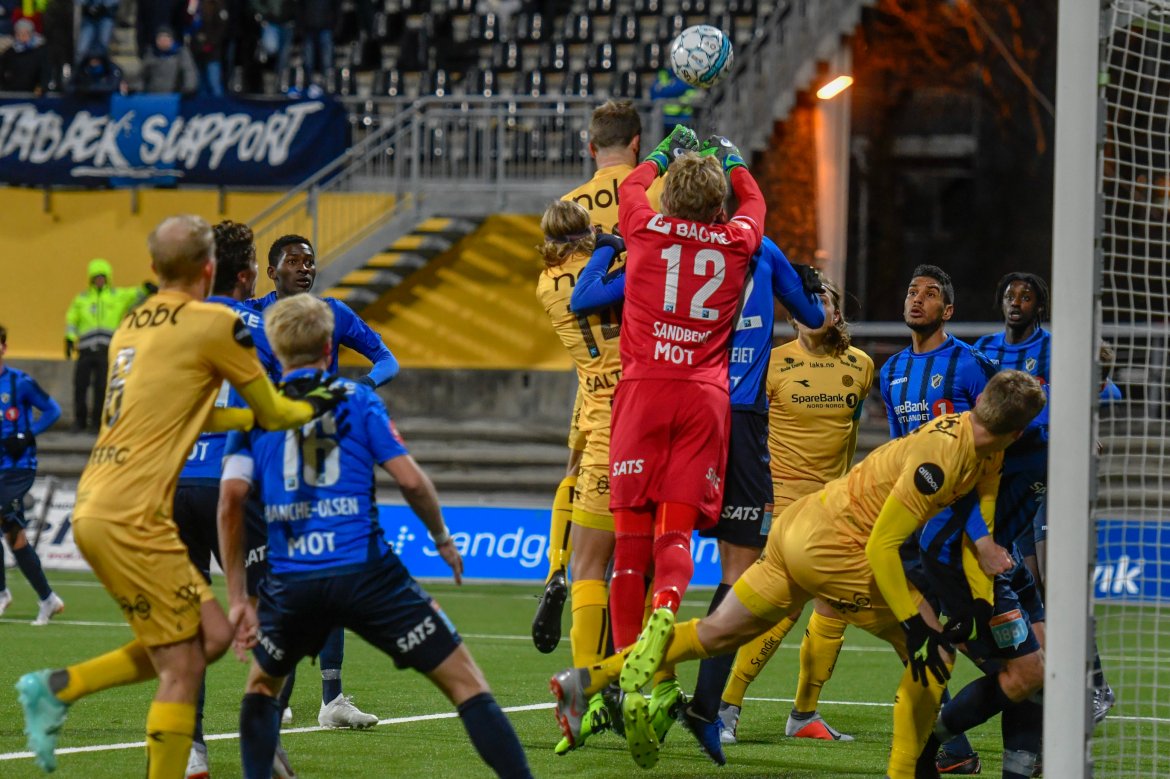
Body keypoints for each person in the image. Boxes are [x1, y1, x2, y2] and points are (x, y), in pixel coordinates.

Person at [551, 370, 1046, 776]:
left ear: (981, 400)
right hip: (840, 547)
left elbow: (979, 514)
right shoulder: (940, 459)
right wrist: (915, 624)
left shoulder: (981, 442)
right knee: (931, 654)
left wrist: (980, 599)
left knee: (717, 633)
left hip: (799, 527)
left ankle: (589, 680)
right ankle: (907, 771)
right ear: (1019, 431)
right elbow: (882, 546)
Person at [14, 214, 344, 777]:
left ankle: (64, 688)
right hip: (137, 511)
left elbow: (195, 415)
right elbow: (273, 408)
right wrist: (316, 409)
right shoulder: (216, 324)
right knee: (187, 659)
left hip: (101, 500)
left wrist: (248, 419)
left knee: (201, 643)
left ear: (152, 269)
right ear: (213, 269)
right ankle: (57, 690)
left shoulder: (132, 324)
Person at [218, 294, 533, 779]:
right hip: (367, 574)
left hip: (292, 580)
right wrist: (442, 537)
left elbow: (231, 499)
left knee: (261, 690)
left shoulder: (255, 408)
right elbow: (410, 481)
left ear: (276, 351)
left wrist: (238, 596)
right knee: (465, 681)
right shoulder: (359, 399)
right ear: (329, 348)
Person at [568, 191, 827, 758]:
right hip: (733, 417)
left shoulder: (655, 246)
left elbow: (586, 299)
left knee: (637, 547)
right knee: (741, 568)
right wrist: (806, 286)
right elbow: (815, 319)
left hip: (661, 406)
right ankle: (708, 710)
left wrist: (607, 247)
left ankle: (621, 686)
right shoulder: (760, 246)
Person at [583, 129, 764, 769]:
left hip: (641, 393)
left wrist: (661, 151)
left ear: (666, 196)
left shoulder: (645, 227)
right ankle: (668, 612)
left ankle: (636, 674)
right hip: (703, 399)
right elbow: (755, 202)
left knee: (629, 544)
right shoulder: (738, 239)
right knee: (677, 537)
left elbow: (630, 185)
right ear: (717, 208)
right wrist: (733, 158)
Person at [247, 233, 399, 730]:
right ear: (272, 272)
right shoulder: (249, 318)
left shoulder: (333, 313)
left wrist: (359, 387)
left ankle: (331, 699)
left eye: (310, 262)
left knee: (332, 574)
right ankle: (274, 686)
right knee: (277, 583)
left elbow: (387, 360)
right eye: (293, 262)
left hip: (321, 457)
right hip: (265, 456)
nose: (305, 269)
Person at [531, 99, 664, 657]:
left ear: (591, 147)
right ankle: (619, 661)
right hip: (645, 382)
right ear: (637, 143)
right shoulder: (652, 195)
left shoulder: (568, 211)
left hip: (590, 384)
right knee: (638, 544)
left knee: (574, 473)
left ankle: (555, 568)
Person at [716, 279, 873, 745]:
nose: (815, 304)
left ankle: (804, 714)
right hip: (781, 500)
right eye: (807, 298)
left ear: (838, 313)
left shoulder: (861, 366)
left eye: (824, 298)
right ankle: (725, 707)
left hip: (833, 507)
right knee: (777, 607)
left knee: (837, 604)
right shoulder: (773, 363)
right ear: (792, 314)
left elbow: (851, 436)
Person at [171, 220, 286, 779]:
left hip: (176, 484)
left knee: (190, 623)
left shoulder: (174, 322)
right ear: (246, 273)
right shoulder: (260, 326)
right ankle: (265, 741)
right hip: (236, 482)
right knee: (270, 616)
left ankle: (193, 750)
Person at [879, 264, 998, 774]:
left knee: (987, 647)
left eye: (929, 294)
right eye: (911, 291)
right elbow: (897, 447)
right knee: (923, 641)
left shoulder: (970, 366)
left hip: (963, 530)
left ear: (947, 310)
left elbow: (999, 439)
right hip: (913, 526)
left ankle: (1031, 725)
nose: (917, 299)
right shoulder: (890, 372)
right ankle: (956, 747)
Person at [0, 324, 64, 625]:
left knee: (8, 526)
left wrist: (28, 434)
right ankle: (47, 599)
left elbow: (52, 410)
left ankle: (3, 595)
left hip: (17, 467)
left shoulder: (19, 382)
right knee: (15, 537)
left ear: (4, 348)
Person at [64, 258, 152, 433]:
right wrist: (69, 338)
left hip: (107, 350)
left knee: (102, 387)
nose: (99, 280)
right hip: (85, 350)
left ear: (108, 278)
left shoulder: (116, 296)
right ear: (91, 278)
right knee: (80, 386)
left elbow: (135, 295)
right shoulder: (82, 299)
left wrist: (146, 289)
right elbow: (71, 319)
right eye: (96, 277)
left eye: (102, 277)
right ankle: (79, 421)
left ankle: (97, 423)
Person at [140, 25, 199, 94]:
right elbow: (142, 75)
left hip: (175, 95)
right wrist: (132, 87)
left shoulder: (181, 53)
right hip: (154, 95)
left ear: (172, 40)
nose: (163, 41)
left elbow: (189, 71)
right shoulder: (151, 55)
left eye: (166, 38)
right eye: (160, 38)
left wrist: (189, 87)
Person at [0, 18, 50, 93]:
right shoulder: (9, 52)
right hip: (11, 93)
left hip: (32, 94)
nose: (22, 37)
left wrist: (42, 87)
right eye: (19, 34)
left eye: (25, 33)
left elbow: (45, 72)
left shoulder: (40, 52)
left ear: (31, 34)